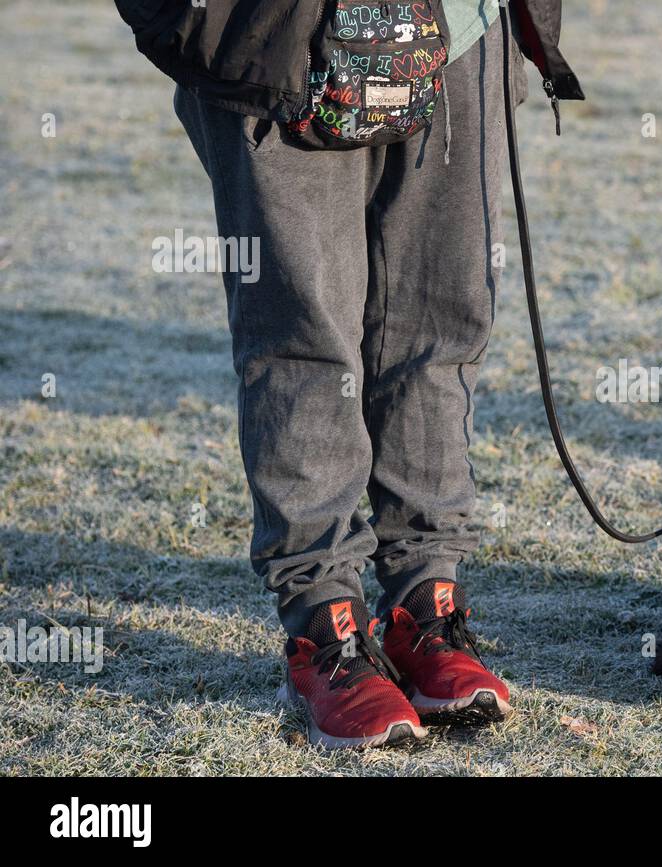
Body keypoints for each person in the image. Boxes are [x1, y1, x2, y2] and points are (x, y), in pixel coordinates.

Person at [113, 0, 582, 748]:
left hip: (458, 28)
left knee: (439, 324)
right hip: (276, 29)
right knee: (304, 335)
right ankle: (324, 631)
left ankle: (425, 608)